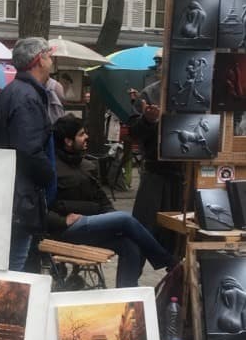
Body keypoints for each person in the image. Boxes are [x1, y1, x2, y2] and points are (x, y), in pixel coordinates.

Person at [46, 116, 173, 287]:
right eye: (82, 134)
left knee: (129, 244)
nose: (86, 138)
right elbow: (41, 208)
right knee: (124, 218)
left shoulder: (87, 165)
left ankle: (125, 296)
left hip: (91, 226)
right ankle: (169, 262)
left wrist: (109, 218)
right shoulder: (51, 168)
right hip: (65, 231)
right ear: (68, 141)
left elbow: (102, 200)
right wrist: (63, 220)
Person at [0, 37, 57, 272]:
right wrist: (49, 175)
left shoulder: (16, 92)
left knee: (11, 260)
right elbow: (28, 149)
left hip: (13, 191)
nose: (52, 59)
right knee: (14, 264)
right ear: (39, 60)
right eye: (49, 54)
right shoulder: (26, 96)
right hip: (19, 195)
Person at [129, 50, 185, 253]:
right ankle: (129, 282)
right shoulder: (149, 93)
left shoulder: (195, 92)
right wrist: (148, 120)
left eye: (163, 62)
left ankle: (176, 279)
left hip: (187, 176)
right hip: (155, 173)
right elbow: (134, 132)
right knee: (139, 235)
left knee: (182, 239)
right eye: (158, 63)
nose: (160, 67)